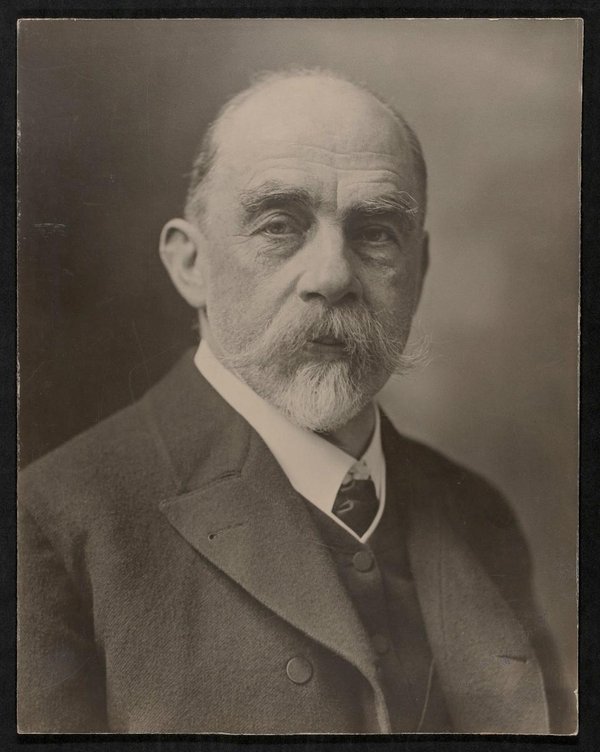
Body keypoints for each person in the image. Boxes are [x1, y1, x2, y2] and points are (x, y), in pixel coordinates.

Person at [17, 69, 575, 734]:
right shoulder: (52, 523)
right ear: (191, 264)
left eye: (376, 233)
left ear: (419, 272)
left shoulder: (480, 515)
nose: (334, 276)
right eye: (279, 225)